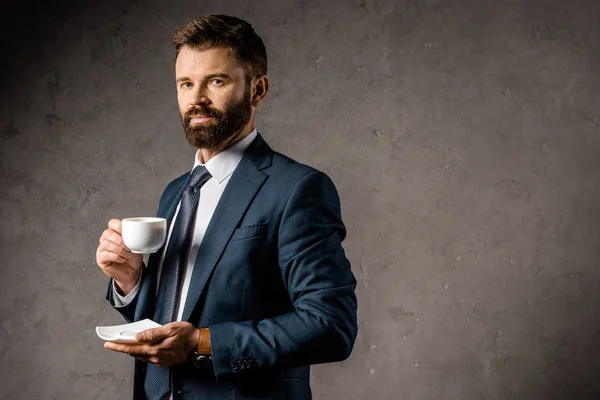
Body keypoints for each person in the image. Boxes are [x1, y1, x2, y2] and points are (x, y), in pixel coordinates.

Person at [96, 14, 357, 400]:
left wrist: (202, 342)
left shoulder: (298, 190)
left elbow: (331, 325)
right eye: (186, 84)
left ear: (257, 89)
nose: (196, 98)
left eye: (216, 81)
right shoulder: (175, 193)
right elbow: (168, 320)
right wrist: (131, 281)